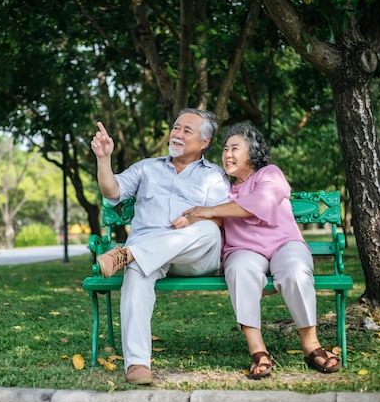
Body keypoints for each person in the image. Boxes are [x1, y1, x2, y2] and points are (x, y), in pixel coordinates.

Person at [183, 122, 341, 379]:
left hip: (283, 243)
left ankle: (311, 345)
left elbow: (259, 203)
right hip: (243, 249)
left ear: (252, 152)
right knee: (239, 269)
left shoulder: (269, 174)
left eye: (235, 148)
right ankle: (258, 352)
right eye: (224, 149)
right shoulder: (222, 186)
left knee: (296, 271)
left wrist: (211, 210)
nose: (227, 154)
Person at [90, 108, 230, 385]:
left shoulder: (214, 175)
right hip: (151, 257)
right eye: (176, 128)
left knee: (208, 230)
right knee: (137, 271)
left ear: (204, 142)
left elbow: (219, 219)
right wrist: (104, 159)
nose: (177, 134)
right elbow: (112, 192)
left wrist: (194, 216)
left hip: (196, 257)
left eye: (186, 131)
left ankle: (127, 254)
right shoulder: (146, 167)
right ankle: (137, 364)